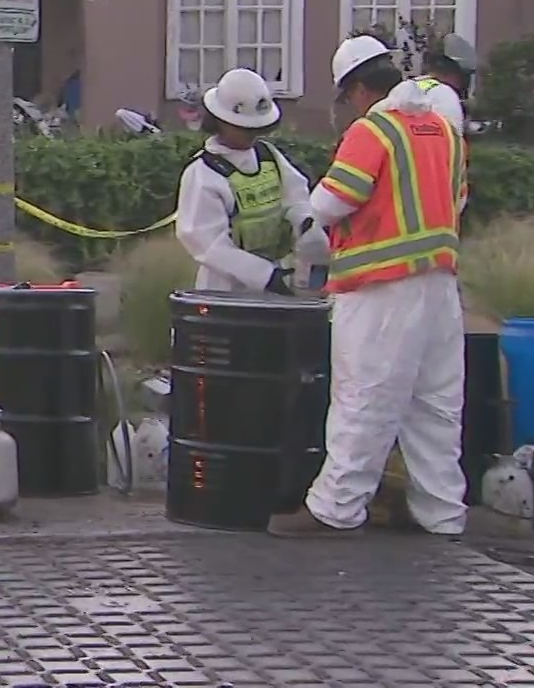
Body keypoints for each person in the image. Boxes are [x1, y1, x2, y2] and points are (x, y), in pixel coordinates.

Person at [268, 37, 469, 538]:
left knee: (364, 397)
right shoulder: (445, 131)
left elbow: (334, 201)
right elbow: (458, 199)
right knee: (435, 406)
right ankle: (442, 512)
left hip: (380, 290)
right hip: (440, 287)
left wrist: (307, 224)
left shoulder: (374, 129)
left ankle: (335, 508)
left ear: (358, 89)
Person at [173, 68, 312, 294]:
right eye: (243, 127)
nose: (251, 134)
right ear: (220, 121)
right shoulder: (204, 173)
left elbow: (296, 194)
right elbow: (207, 244)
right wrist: (266, 276)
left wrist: (305, 224)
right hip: (225, 292)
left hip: (278, 285)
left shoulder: (267, 155)